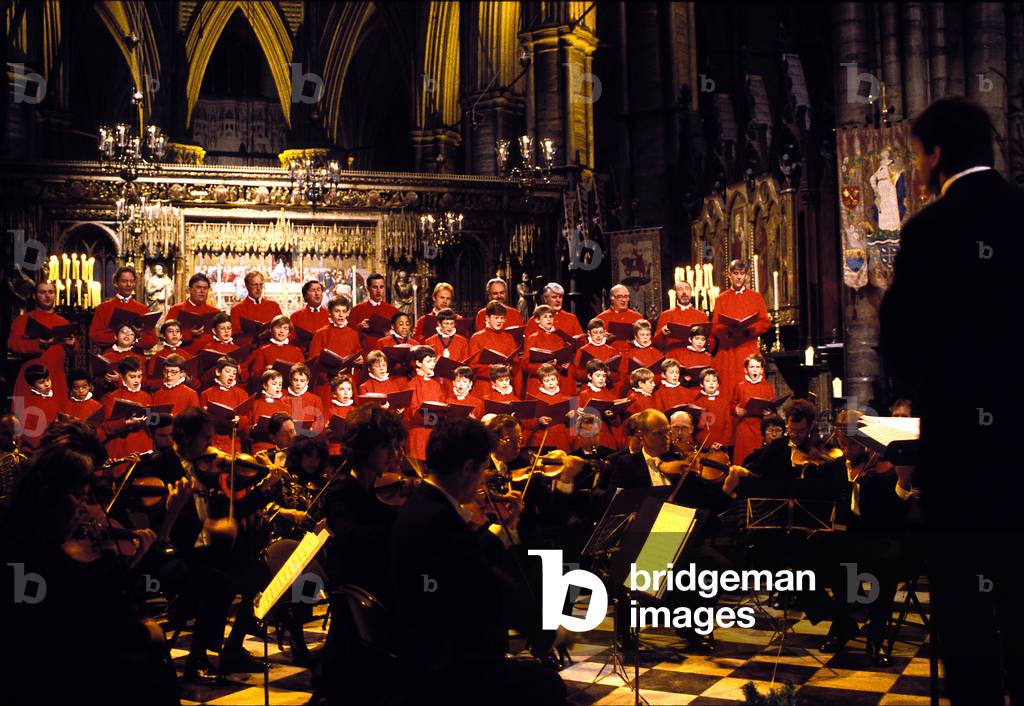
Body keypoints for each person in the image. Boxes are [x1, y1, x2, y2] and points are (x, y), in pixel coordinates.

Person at [879, 96, 1024, 706]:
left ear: (935, 155)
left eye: (916, 156)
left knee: (965, 606)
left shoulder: (932, 229)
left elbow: (899, 333)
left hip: (961, 447)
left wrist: (910, 411)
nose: (916, 169)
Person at [0, 419, 180, 704]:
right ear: (49, 494)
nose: (86, 508)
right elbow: (69, 628)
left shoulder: (45, 544)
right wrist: (136, 632)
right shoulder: (24, 552)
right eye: (79, 495)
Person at [390, 417, 567, 705]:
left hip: (433, 648)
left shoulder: (424, 503)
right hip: (447, 663)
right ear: (468, 467)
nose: (484, 478)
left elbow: (471, 567)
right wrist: (544, 629)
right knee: (547, 686)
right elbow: (485, 582)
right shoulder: (438, 517)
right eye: (483, 468)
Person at [607, 409, 735, 653]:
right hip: (642, 540)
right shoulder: (626, 464)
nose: (667, 437)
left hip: (679, 539)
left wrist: (727, 490)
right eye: (659, 433)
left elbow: (707, 500)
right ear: (641, 435)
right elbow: (612, 502)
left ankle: (694, 625)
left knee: (721, 569)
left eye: (668, 431)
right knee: (640, 566)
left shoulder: (680, 462)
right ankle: (625, 630)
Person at [320, 405, 408, 705]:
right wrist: (401, 521)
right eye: (387, 446)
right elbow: (354, 539)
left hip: (379, 584)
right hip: (359, 593)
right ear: (366, 448)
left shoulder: (378, 490)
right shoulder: (340, 493)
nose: (393, 453)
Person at [710, 260, 771, 400]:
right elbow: (715, 326)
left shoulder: (755, 297)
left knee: (751, 390)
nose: (739, 277)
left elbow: (765, 322)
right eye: (735, 273)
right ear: (729, 275)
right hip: (729, 351)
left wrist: (750, 330)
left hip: (748, 349)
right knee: (729, 389)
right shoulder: (721, 299)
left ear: (746, 276)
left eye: (742, 274)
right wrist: (729, 331)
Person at [9, 279, 77, 402]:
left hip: (57, 378)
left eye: (51, 292)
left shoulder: (63, 322)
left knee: (57, 418)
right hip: (31, 378)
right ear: (34, 296)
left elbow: (74, 349)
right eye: (42, 292)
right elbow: (13, 344)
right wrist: (38, 344)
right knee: (29, 417)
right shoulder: (23, 320)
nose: (47, 296)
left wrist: (72, 344)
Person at [90, 266, 159, 349]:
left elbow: (152, 340)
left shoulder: (143, 309)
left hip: (136, 358)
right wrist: (118, 337)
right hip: (111, 356)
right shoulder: (103, 308)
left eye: (132, 281)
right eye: (124, 281)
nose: (129, 284)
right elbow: (94, 335)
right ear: (116, 283)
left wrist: (133, 339)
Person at [101, 357, 154, 462]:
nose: (137, 380)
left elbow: (152, 421)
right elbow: (106, 427)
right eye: (132, 377)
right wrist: (127, 422)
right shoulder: (111, 397)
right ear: (122, 377)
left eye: (139, 376)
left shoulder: (147, 396)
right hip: (122, 445)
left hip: (143, 444)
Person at [730, 354, 777, 465]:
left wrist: (770, 413)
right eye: (751, 367)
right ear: (746, 370)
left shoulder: (768, 388)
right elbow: (732, 405)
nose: (754, 369)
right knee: (743, 462)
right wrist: (737, 411)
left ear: (761, 370)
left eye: (757, 367)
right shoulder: (740, 386)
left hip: (762, 430)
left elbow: (773, 408)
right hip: (744, 429)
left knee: (760, 462)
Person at [468, 301, 521, 396]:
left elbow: (516, 364)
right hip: (485, 388)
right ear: (487, 318)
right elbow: (473, 367)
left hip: (505, 387)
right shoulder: (476, 338)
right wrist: (494, 369)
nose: (500, 321)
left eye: (502, 318)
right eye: (496, 318)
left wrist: (510, 368)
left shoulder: (509, 337)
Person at [404, 346, 446, 461]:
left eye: (433, 361)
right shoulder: (412, 385)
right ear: (418, 363)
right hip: (418, 435)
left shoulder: (436, 385)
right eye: (428, 361)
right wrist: (433, 418)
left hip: (435, 434)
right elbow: (412, 413)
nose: (432, 364)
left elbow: (442, 407)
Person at [199, 357, 248, 453]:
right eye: (228, 371)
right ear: (218, 372)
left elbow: (247, 418)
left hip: (233, 442)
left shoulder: (242, 394)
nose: (231, 375)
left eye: (234, 373)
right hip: (213, 442)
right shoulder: (206, 394)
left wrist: (239, 420)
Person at [521, 304, 573, 394]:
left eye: (551, 317)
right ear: (537, 320)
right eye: (545, 317)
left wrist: (563, 365)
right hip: (538, 382)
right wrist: (542, 366)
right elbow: (525, 364)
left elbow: (561, 357)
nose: (549, 319)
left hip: (555, 382)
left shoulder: (559, 337)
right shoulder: (533, 338)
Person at [230, 271, 283, 349]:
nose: (258, 288)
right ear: (247, 286)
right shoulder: (237, 309)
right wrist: (256, 339)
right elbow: (236, 336)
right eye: (254, 285)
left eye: (261, 285)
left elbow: (282, 329)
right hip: (250, 350)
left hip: (272, 349)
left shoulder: (274, 306)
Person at [247, 314, 304, 384]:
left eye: (285, 328)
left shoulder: (297, 351)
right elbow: (254, 376)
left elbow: (303, 374)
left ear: (289, 332)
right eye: (278, 327)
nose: (281, 331)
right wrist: (265, 371)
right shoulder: (263, 350)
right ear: (271, 330)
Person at [654, 280, 709, 351]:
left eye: (687, 289)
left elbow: (709, 339)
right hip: (674, 357)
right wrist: (662, 333)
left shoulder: (702, 316)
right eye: (680, 289)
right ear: (676, 294)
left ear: (691, 292)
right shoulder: (666, 315)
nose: (684, 292)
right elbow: (656, 342)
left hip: (696, 358)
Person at [166, 273, 219, 345]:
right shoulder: (176, 309)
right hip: (184, 352)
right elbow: (167, 335)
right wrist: (189, 334)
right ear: (189, 290)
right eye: (198, 287)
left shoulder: (215, 312)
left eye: (205, 288)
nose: (202, 291)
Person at [18, 363, 61, 451]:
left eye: (48, 380)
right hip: (37, 449)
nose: (47, 384)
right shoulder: (29, 404)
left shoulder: (52, 401)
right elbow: (26, 433)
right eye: (41, 382)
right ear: (32, 385)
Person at [349, 272, 399, 340]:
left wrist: (392, 334)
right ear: (368, 288)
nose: (378, 291)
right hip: (365, 349)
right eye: (375, 287)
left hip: (386, 348)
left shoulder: (394, 311)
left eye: (381, 287)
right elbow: (349, 335)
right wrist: (360, 326)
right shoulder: (356, 310)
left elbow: (400, 335)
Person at [572, 317, 620, 384]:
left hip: (607, 387)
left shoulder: (612, 351)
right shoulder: (582, 351)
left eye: (601, 332)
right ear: (589, 333)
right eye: (595, 332)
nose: (598, 335)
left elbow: (618, 375)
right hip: (588, 387)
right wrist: (592, 374)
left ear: (604, 332)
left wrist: (608, 374)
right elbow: (576, 374)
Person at [597, 284, 643, 352]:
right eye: (619, 297)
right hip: (609, 355)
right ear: (612, 298)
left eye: (626, 296)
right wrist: (603, 338)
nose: (624, 300)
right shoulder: (601, 318)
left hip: (633, 354)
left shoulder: (637, 317)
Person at [290, 280, 329, 348]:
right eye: (313, 290)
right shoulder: (296, 316)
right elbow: (292, 340)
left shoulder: (330, 315)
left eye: (319, 290)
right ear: (305, 296)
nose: (317, 293)